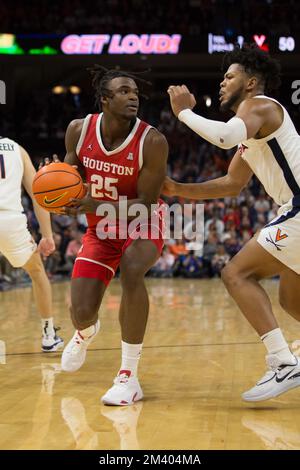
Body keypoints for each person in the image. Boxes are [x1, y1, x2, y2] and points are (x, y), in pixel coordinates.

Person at [163, 44, 300, 402]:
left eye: (229, 76)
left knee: (235, 273)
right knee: (291, 300)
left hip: (299, 208)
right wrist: (176, 188)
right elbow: (231, 184)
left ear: (251, 82)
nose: (222, 83)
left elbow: (224, 137)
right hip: (295, 210)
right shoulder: (252, 133)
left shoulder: (260, 107)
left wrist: (185, 114)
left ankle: (283, 363)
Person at [58, 66, 168, 406]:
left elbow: (147, 204)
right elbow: (70, 174)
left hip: (143, 222)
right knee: (81, 311)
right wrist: (58, 185)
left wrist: (95, 201)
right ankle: (86, 332)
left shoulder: (152, 140)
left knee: (133, 269)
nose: (133, 96)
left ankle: (128, 376)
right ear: (105, 99)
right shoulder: (78, 129)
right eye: (123, 91)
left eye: (134, 91)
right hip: (101, 230)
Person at [0, 137, 63, 351]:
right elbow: (38, 196)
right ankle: (48, 335)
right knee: (36, 271)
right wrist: (47, 236)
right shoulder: (16, 148)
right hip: (9, 221)